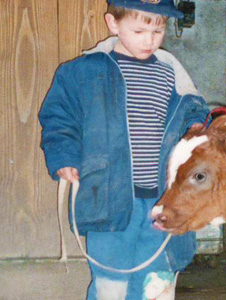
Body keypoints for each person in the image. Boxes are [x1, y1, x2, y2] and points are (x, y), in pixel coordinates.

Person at [39, 0, 209, 299]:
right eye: (139, 30)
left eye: (158, 31)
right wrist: (64, 157)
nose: (149, 40)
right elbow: (59, 118)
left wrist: (195, 126)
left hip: (161, 197)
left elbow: (192, 111)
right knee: (111, 281)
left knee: (156, 277)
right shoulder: (84, 72)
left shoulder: (172, 73)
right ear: (113, 23)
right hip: (108, 196)